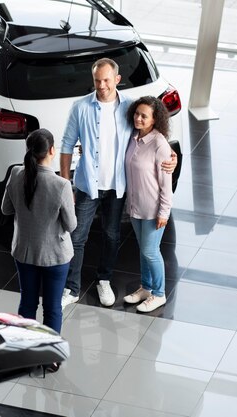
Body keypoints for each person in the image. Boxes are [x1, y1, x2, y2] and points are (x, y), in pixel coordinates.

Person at [59, 58, 177, 308]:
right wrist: (65, 184)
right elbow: (67, 145)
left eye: (106, 80)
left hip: (117, 188)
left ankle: (104, 280)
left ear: (117, 80)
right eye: (97, 81)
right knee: (77, 236)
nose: (101, 85)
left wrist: (171, 157)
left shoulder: (128, 109)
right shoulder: (80, 107)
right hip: (86, 186)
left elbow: (150, 135)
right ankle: (72, 288)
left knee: (112, 236)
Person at [1, 128, 77, 342]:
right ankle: (50, 356)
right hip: (55, 256)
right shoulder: (61, 185)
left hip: (24, 252)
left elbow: (6, 209)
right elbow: (71, 225)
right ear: (52, 150)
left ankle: (26, 347)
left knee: (27, 303)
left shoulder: (16, 173)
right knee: (52, 308)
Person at [122, 96, 173, 312]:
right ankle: (146, 287)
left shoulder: (159, 144)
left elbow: (166, 183)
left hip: (153, 210)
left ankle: (159, 294)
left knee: (151, 252)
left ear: (154, 120)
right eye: (137, 113)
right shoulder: (132, 137)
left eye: (144, 116)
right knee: (143, 250)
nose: (138, 118)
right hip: (135, 207)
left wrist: (164, 212)